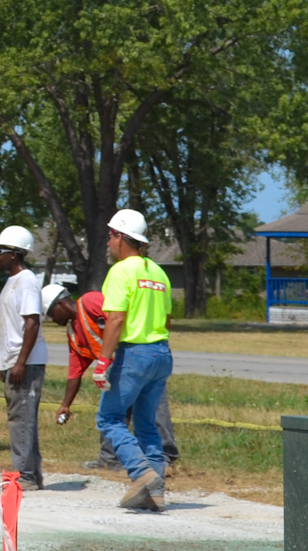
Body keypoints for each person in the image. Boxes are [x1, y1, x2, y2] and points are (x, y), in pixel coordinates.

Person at [49, 287, 180, 471]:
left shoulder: (89, 301)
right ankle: (110, 459)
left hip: (135, 355)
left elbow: (118, 316)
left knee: (152, 408)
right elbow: (75, 372)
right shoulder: (74, 334)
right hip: (116, 367)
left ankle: (164, 456)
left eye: (51, 313)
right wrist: (65, 404)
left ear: (60, 304)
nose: (52, 319)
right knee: (112, 412)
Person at [95, 208, 174, 512]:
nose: (107, 242)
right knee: (146, 424)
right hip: (161, 352)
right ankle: (156, 493)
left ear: (121, 238)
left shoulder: (121, 271)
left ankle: (141, 475)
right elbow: (166, 318)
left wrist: (103, 362)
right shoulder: (158, 272)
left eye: (110, 236)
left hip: (135, 353)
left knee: (109, 418)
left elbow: (116, 319)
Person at [0, 226, 44, 490]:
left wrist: (20, 362)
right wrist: (4, 363)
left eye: (0, 251)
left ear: (14, 254)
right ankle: (32, 474)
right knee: (23, 418)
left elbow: (32, 323)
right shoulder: (12, 282)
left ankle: (26, 476)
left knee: (21, 418)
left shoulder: (27, 281)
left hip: (26, 362)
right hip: (14, 360)